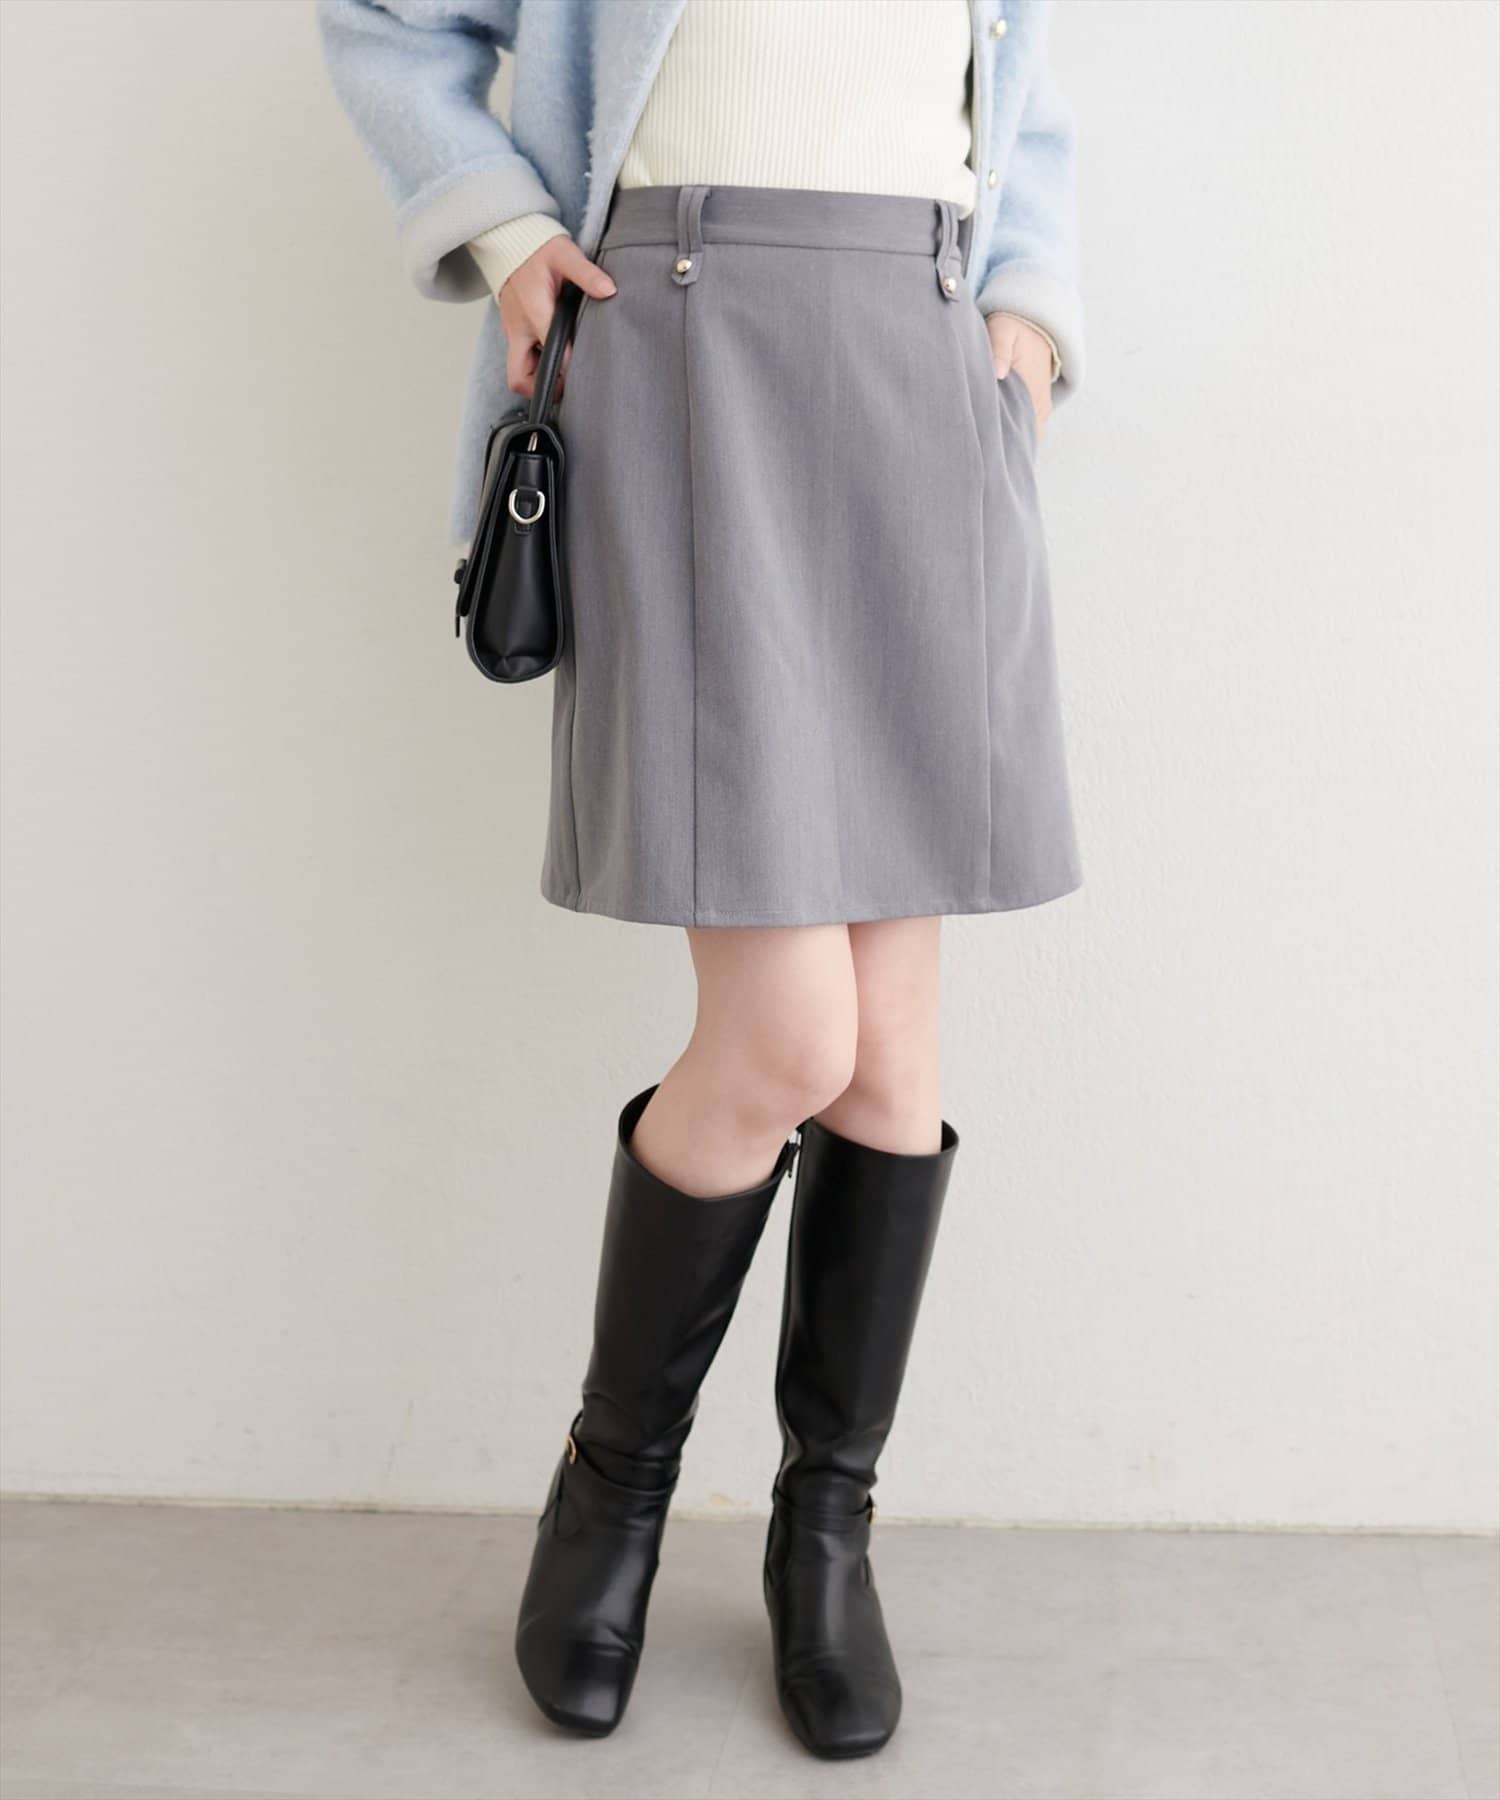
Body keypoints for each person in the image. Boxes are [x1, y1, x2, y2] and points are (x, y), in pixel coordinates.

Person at [320, 0, 1083, 1761]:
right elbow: (386, 20)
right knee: (789, 1036)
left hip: (923, 361)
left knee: (889, 1055)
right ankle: (613, 1489)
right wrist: (503, 228)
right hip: (685, 344)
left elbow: (1029, 103)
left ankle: (828, 1535)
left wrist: (1030, 317)